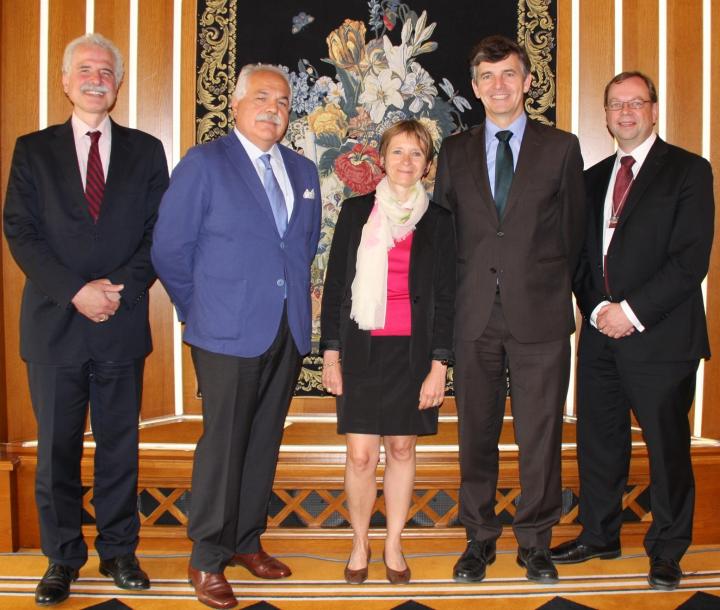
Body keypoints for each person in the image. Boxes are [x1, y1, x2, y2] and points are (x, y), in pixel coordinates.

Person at [3, 33, 169, 606]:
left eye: (106, 70)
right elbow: (19, 232)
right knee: (57, 451)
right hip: (53, 323)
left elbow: (159, 235)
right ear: (65, 81)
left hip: (121, 322)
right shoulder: (33, 150)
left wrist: (115, 293)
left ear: (118, 86)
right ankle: (62, 557)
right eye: (85, 69)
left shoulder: (147, 152)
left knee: (120, 446)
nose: (96, 78)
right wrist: (76, 291)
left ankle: (120, 551)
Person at [151, 63, 321, 609]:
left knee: (263, 440)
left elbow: (301, 248)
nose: (275, 108)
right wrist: (200, 309)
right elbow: (169, 250)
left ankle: (247, 540)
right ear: (238, 104)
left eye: (284, 101)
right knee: (223, 446)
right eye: (263, 97)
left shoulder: (303, 171)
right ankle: (206, 558)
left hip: (286, 329)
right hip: (223, 331)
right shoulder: (204, 163)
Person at [550, 71, 715, 591]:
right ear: (605, 115)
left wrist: (632, 312)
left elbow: (690, 261)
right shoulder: (591, 177)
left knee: (667, 447)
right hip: (599, 333)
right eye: (616, 104)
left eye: (636, 103)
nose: (626, 112)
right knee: (599, 441)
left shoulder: (689, 171)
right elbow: (577, 256)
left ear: (654, 110)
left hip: (661, 336)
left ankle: (668, 549)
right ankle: (599, 534)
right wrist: (598, 309)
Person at [433, 35, 585, 584]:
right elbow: (445, 238)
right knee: (475, 431)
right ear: (474, 88)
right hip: (473, 317)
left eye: (509, 75)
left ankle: (536, 541)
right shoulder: (453, 151)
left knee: (540, 433)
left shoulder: (561, 148)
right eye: (488, 77)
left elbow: (574, 236)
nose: (499, 85)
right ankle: (478, 538)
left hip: (540, 317)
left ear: (527, 82)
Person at [320, 120, 455, 585]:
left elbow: (446, 296)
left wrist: (440, 364)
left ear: (427, 165)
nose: (405, 161)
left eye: (416, 154)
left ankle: (394, 542)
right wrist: (331, 355)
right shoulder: (357, 212)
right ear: (382, 157)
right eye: (398, 151)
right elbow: (336, 285)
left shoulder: (439, 221)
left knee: (401, 447)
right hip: (361, 350)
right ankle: (360, 541)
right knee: (359, 455)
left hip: (413, 355)